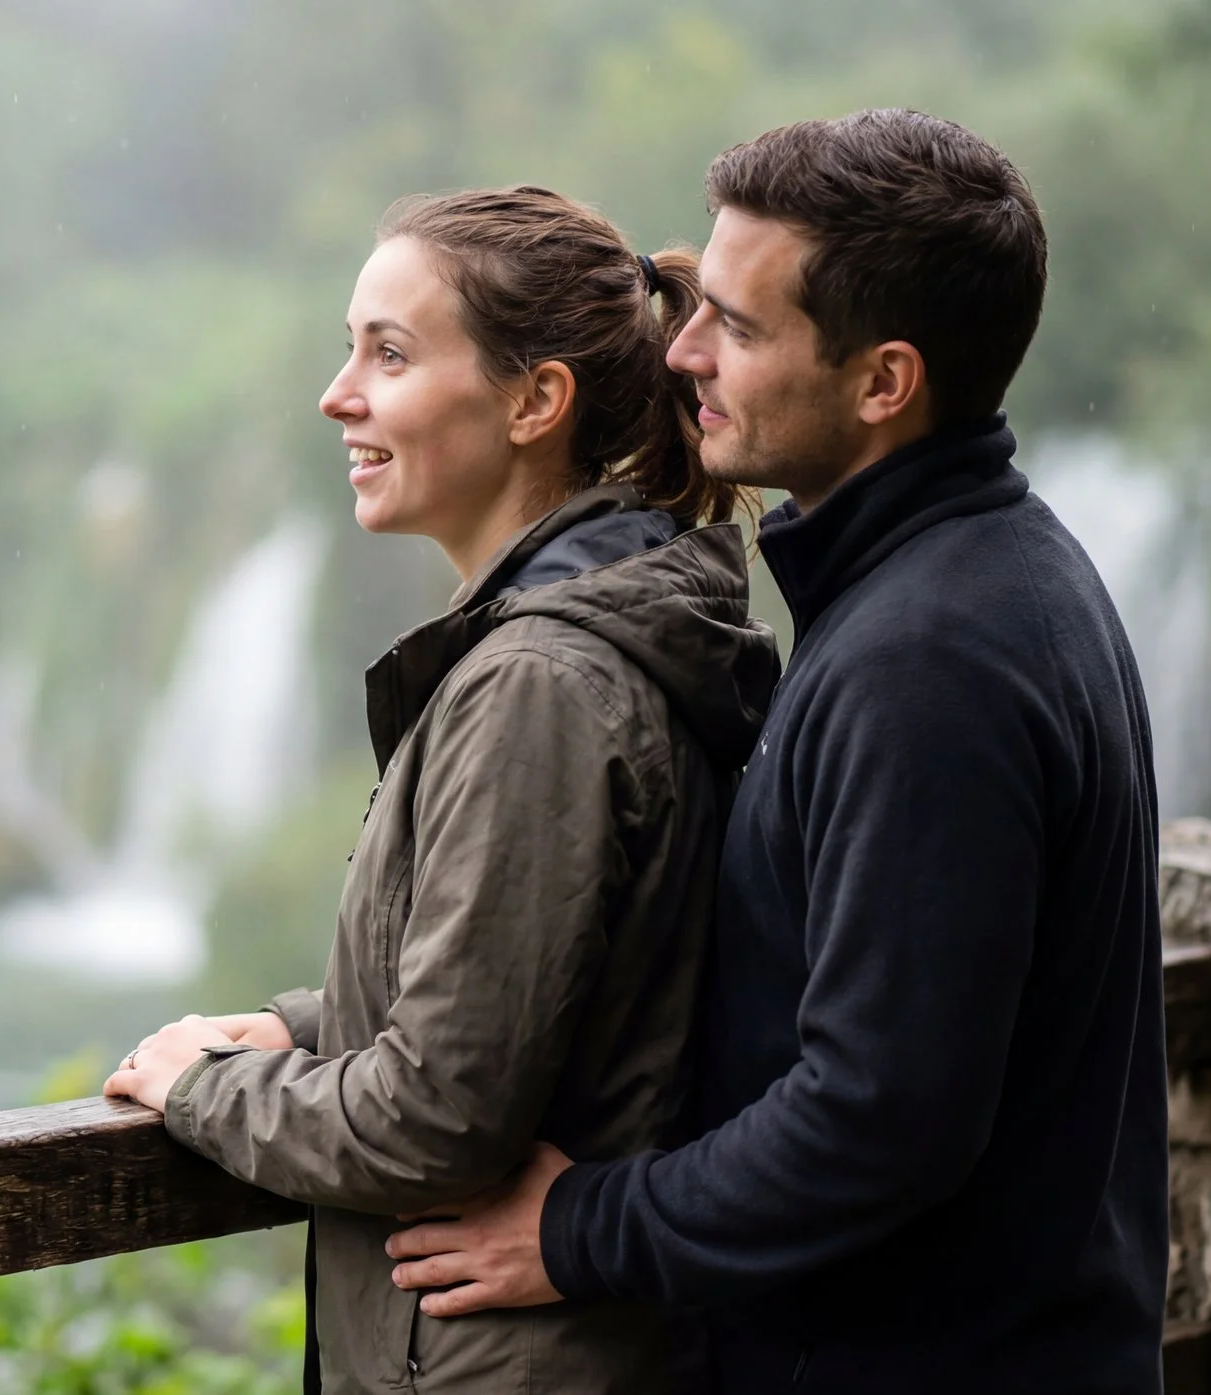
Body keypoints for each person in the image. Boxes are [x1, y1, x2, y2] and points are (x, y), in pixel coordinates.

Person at [382, 109, 1168, 1393]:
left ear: (882, 382)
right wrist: (336, 1024)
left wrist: (583, 1229)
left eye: (738, 327)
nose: (681, 347)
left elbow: (880, 1121)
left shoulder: (928, 662)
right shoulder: (995, 575)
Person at [102, 186, 779, 1393]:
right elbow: (543, 996)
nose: (338, 393)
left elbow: (439, 1116)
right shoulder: (585, 639)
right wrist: (302, 1029)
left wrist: (207, 1089)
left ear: (534, 401)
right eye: (348, 346)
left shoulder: (542, 685)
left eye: (390, 354)